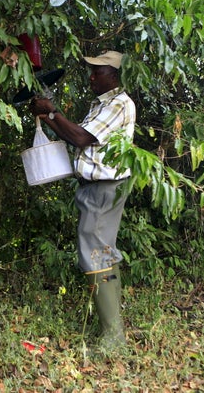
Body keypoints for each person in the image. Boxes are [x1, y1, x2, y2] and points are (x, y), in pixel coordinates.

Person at [29, 50, 136, 352]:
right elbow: (75, 134)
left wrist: (51, 112)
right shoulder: (102, 104)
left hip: (105, 188)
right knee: (101, 250)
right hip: (96, 188)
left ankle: (114, 337)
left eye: (97, 72)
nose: (91, 77)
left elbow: (79, 138)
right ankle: (113, 332)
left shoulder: (118, 103)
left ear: (113, 76)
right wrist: (48, 115)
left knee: (95, 253)